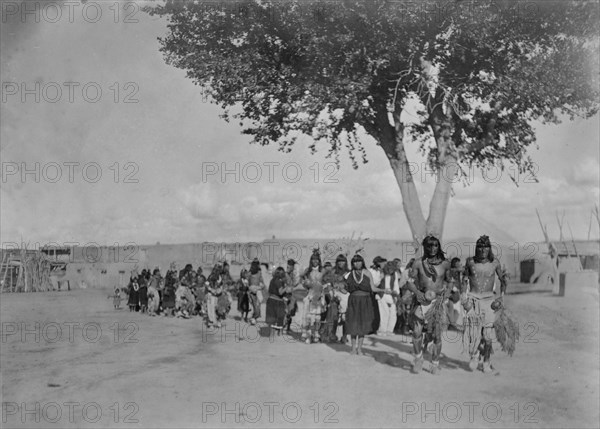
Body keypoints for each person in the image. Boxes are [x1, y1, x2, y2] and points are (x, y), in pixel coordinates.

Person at [406, 236, 451, 374]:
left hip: (437, 303)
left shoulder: (445, 264)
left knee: (437, 336)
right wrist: (417, 292)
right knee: (417, 332)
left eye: (435, 246)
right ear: (424, 247)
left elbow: (450, 282)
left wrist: (446, 295)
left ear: (439, 247)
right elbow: (409, 282)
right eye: (429, 246)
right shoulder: (418, 263)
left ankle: (434, 364)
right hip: (421, 301)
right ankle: (418, 359)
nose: (432, 249)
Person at [463, 235, 508, 373]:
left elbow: (502, 279)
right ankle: (475, 355)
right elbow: (464, 280)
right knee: (473, 333)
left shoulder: (495, 263)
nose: (483, 250)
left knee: (487, 336)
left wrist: (501, 297)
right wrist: (464, 297)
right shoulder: (470, 262)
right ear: (477, 248)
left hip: (489, 301)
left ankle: (487, 362)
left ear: (490, 248)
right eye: (480, 247)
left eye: (486, 247)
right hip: (473, 300)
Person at [345, 254, 385, 355]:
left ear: (362, 262)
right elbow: (345, 289)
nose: (357, 263)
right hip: (353, 301)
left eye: (359, 261)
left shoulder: (367, 273)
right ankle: (353, 348)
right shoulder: (350, 274)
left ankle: (359, 349)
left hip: (365, 301)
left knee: (362, 325)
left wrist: (384, 290)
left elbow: (373, 288)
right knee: (353, 324)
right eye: (354, 261)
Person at [300, 249, 325, 343]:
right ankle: (308, 334)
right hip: (310, 295)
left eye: (317, 259)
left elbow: (326, 281)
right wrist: (306, 283)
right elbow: (302, 279)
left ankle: (316, 335)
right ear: (311, 260)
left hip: (319, 296)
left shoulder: (322, 270)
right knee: (309, 317)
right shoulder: (308, 270)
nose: (315, 261)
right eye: (313, 259)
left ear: (319, 260)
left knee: (317, 317)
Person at [377, 261, 400, 336]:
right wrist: (380, 277)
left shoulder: (395, 274)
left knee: (393, 313)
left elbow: (396, 284)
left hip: (391, 294)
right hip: (382, 294)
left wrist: (396, 293)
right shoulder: (381, 273)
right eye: (390, 269)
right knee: (384, 313)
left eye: (392, 269)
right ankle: (382, 330)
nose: (391, 270)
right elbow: (376, 283)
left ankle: (389, 330)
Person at [266, 267, 290, 334]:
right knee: (279, 317)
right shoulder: (278, 281)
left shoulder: (272, 280)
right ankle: (277, 335)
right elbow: (280, 292)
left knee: (272, 318)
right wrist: (286, 287)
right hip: (277, 301)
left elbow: (269, 291)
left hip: (270, 300)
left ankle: (272, 335)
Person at [283, 259, 300, 333]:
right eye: (288, 266)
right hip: (285, 294)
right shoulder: (284, 274)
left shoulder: (294, 274)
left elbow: (295, 284)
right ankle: (283, 325)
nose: (289, 267)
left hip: (292, 295)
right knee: (285, 310)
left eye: (291, 266)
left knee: (291, 311)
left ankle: (288, 327)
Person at [248, 258, 266, 325]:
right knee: (254, 306)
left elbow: (261, 281)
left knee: (257, 306)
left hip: (258, 291)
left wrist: (262, 286)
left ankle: (254, 318)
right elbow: (247, 283)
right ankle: (253, 318)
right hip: (251, 292)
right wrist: (250, 289)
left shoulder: (259, 272)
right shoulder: (250, 273)